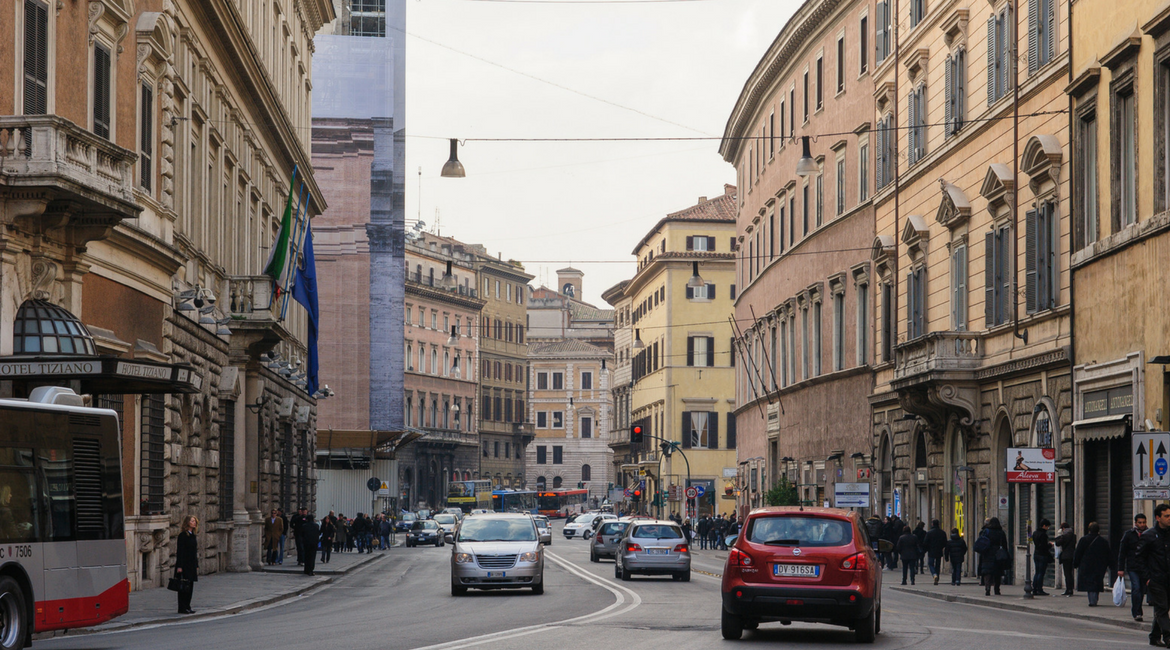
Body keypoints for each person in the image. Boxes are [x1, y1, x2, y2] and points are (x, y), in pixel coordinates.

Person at [1139, 503, 1170, 647]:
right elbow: (1139, 558)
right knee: (1162, 607)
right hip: (1155, 578)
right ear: (1158, 517)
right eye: (1167, 516)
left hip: (1168, 577)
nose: (1169, 518)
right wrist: (1147, 578)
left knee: (1162, 607)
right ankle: (1168, 637)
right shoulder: (1149, 536)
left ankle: (1154, 636)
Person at [1073, 521, 1111, 607]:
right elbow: (1108, 554)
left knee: (1089, 583)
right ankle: (1094, 599)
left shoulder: (1083, 540)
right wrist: (1110, 565)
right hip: (1099, 565)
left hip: (1087, 565)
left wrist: (1075, 563)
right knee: (1096, 582)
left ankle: (1092, 600)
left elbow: (1078, 553)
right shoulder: (1103, 541)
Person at [1119, 513, 1149, 622]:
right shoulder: (1129, 535)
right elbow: (1122, 553)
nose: (1142, 525)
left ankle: (1138, 608)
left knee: (1141, 590)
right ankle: (1136, 612)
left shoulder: (1149, 534)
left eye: (1144, 522)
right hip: (1132, 567)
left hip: (1144, 567)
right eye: (1140, 522)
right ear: (1135, 523)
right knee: (1136, 588)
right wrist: (1120, 568)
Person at [977, 517, 1008, 595]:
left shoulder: (986, 531)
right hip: (998, 555)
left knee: (987, 572)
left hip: (987, 554)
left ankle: (987, 588)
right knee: (998, 573)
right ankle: (997, 589)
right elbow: (1005, 545)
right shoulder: (1001, 532)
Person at [175, 515, 199, 614]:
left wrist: (196, 565)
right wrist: (179, 566)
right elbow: (180, 551)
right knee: (183, 586)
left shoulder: (193, 535)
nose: (194, 523)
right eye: (192, 521)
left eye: (195, 521)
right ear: (187, 522)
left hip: (191, 565)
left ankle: (188, 606)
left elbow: (194, 552)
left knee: (190, 586)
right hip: (184, 565)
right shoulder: (182, 535)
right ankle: (182, 607)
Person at [1032, 519, 1054, 596]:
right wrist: (1050, 545)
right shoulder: (1043, 534)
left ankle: (1034, 589)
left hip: (1036, 554)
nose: (1048, 528)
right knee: (1041, 573)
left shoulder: (1035, 533)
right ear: (1044, 526)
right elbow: (1044, 546)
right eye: (1047, 526)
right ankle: (1039, 589)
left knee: (1037, 572)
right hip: (1042, 555)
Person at [1055, 522, 1077, 596]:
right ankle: (1071, 589)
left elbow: (1057, 543)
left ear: (1063, 529)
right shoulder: (1073, 536)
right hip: (1072, 555)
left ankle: (1068, 589)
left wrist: (1059, 535)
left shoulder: (1064, 536)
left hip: (1065, 556)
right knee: (1070, 573)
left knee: (1067, 573)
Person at [925, 519, 947, 585]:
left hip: (931, 550)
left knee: (931, 564)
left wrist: (927, 548)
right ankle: (937, 576)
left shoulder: (929, 533)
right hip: (939, 550)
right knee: (938, 565)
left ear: (932, 524)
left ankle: (934, 574)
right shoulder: (942, 533)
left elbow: (925, 542)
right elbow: (945, 543)